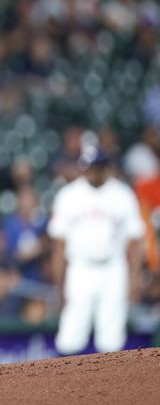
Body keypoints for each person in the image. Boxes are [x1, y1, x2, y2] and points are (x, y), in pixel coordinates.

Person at [49, 146, 145, 355]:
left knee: (111, 338)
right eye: (89, 167)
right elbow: (59, 244)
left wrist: (134, 278)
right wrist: (59, 281)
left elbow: (134, 241)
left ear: (107, 168)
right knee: (70, 335)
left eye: (97, 167)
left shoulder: (122, 194)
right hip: (80, 268)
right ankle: (64, 386)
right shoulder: (69, 195)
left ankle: (111, 387)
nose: (93, 171)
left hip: (113, 268)